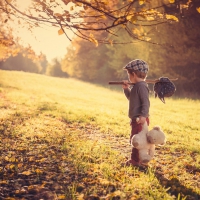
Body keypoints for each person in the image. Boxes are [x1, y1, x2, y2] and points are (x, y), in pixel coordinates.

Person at [122, 59, 150, 167]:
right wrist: (126, 89)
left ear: (133, 74)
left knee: (136, 140)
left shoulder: (142, 87)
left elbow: (146, 103)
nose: (128, 77)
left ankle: (135, 161)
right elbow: (131, 98)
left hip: (140, 119)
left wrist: (143, 116)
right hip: (136, 119)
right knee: (137, 139)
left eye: (128, 74)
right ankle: (140, 160)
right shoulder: (136, 86)